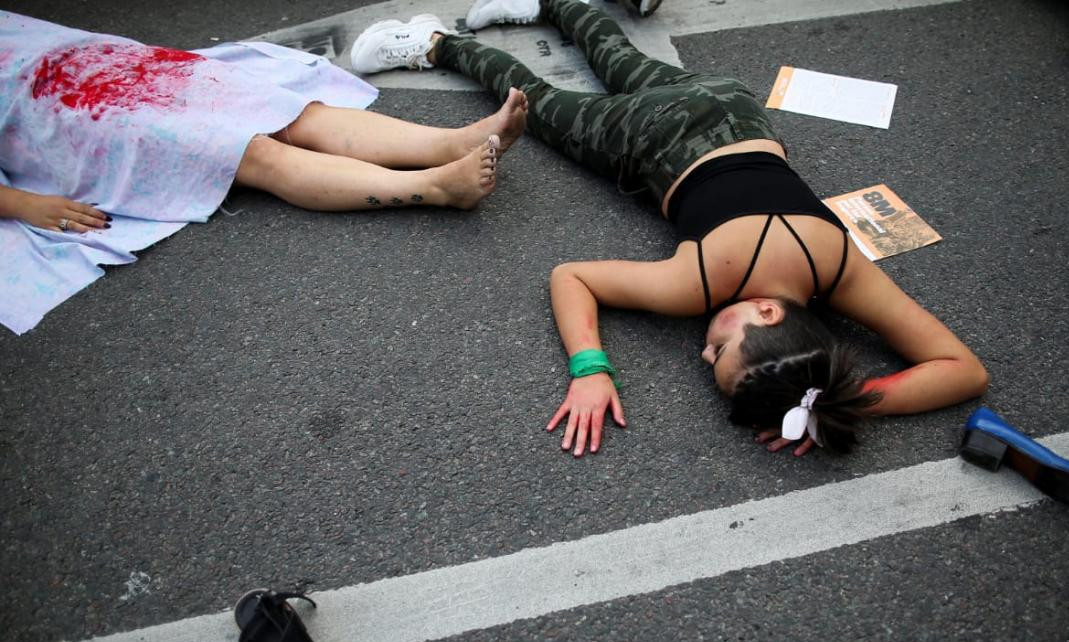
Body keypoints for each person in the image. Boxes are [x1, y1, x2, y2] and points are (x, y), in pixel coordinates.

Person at [359, 0, 989, 457]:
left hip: (736, 109)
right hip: (653, 139)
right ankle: (435, 42)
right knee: (534, 103)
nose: (702, 349)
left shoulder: (841, 268)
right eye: (720, 348)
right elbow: (572, 276)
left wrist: (825, 396)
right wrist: (590, 368)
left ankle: (556, 1)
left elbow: (962, 368)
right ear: (767, 311)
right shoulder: (702, 283)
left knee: (618, 57)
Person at [0, 11, 526, 335]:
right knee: (251, 150)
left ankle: (450, 142)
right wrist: (21, 203)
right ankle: (433, 186)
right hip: (59, 115)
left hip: (101, 62)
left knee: (290, 113)